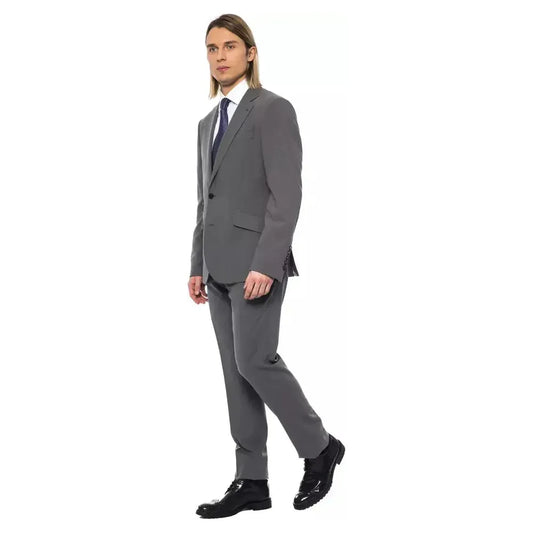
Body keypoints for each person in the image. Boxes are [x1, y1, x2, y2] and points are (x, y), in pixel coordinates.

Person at [188, 14, 345, 519]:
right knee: (235, 372)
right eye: (212, 48)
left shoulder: (273, 109)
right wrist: (196, 263)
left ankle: (320, 447)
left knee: (256, 361)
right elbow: (205, 202)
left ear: (250, 53)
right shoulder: (206, 125)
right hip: (216, 268)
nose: (220, 56)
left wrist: (268, 262)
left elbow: (287, 195)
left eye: (230, 46)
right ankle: (251, 480)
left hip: (256, 265)